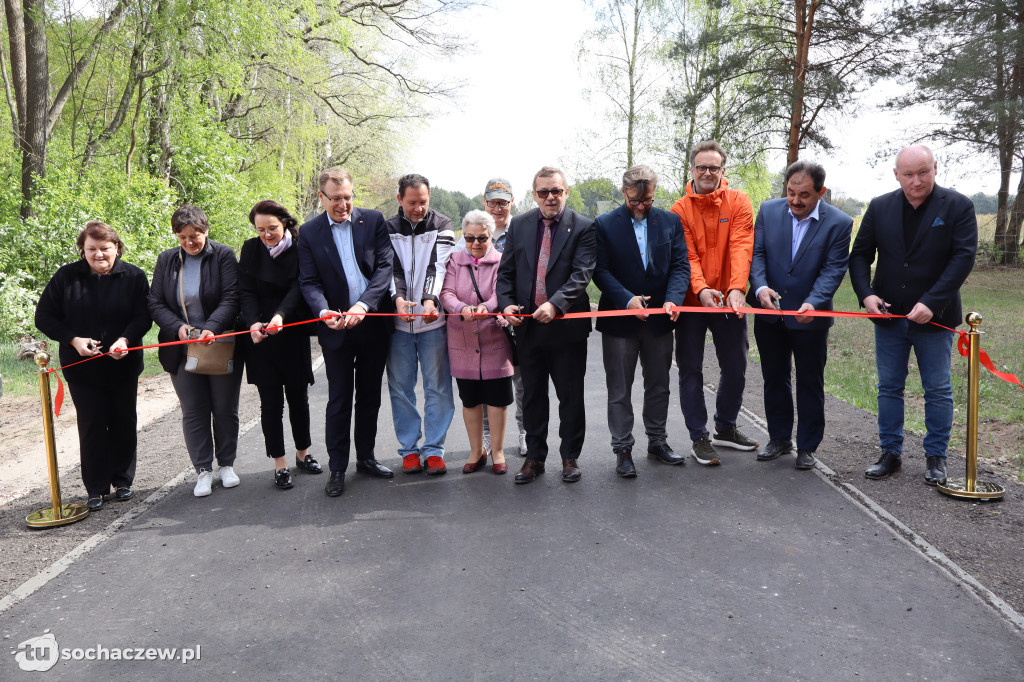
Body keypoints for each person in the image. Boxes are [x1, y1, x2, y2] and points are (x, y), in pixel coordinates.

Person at [849, 145, 978, 485]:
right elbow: (860, 255)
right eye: (908, 174)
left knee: (937, 388)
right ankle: (890, 453)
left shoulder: (959, 206)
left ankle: (936, 457)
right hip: (889, 316)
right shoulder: (879, 207)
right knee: (889, 386)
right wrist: (866, 294)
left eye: (923, 172)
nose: (916, 181)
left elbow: (963, 258)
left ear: (935, 168)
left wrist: (932, 301)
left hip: (935, 317)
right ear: (897, 174)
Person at [35, 222, 151, 511]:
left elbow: (143, 316)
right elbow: (44, 317)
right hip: (81, 368)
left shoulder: (134, 276)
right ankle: (96, 487)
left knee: (124, 420)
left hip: (123, 364)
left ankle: (123, 481)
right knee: (92, 424)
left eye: (104, 248)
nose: (99, 254)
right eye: (91, 249)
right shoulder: (66, 277)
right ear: (82, 250)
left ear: (117, 248)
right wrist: (73, 340)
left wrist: (125, 339)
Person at [298, 168, 395, 497]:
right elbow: (309, 281)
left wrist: (364, 305)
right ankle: (337, 467)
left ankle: (366, 458)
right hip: (335, 327)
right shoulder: (309, 232)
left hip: (372, 323)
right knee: (339, 399)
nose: (343, 205)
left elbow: (384, 268)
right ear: (321, 197)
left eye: (348, 197)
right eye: (336, 198)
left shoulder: (374, 220)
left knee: (369, 396)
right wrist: (323, 311)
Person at [749, 160, 853, 470]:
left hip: (811, 317)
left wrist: (814, 302)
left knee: (810, 381)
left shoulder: (839, 223)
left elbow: (833, 270)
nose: (795, 200)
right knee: (774, 378)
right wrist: (760, 287)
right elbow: (757, 254)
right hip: (769, 314)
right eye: (791, 192)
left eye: (804, 194)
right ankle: (779, 438)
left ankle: (807, 446)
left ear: (821, 192)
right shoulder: (768, 211)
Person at [497, 166, 596, 484]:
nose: (550, 197)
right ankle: (534, 458)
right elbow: (506, 273)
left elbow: (581, 274)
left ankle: (570, 457)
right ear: (535, 194)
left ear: (566, 192)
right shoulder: (520, 225)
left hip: (566, 328)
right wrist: (506, 304)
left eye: (556, 191)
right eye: (543, 192)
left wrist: (555, 304)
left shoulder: (584, 227)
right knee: (533, 396)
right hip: (528, 328)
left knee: (570, 396)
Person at [593, 165, 690, 478]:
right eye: (634, 201)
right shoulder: (604, 224)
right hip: (620, 321)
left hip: (660, 319)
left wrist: (673, 298)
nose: (640, 207)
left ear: (654, 194)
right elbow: (600, 270)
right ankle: (622, 448)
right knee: (620, 388)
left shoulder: (670, 221)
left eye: (646, 201)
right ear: (624, 193)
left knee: (659, 385)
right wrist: (626, 299)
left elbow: (680, 266)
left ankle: (657, 442)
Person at [671, 140, 758, 466]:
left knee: (736, 365)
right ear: (692, 169)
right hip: (693, 302)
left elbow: (741, 246)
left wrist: (736, 288)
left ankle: (726, 427)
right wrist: (701, 289)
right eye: (701, 167)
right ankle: (699, 436)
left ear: (723, 170)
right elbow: (687, 255)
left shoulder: (739, 201)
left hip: (729, 301)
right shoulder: (679, 210)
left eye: (713, 167)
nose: (707, 172)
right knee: (690, 369)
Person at [149, 205, 242, 498]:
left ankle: (226, 465)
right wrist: (177, 326)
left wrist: (211, 327)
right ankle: (203, 470)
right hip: (181, 348)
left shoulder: (223, 255)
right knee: (193, 410)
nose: (190, 242)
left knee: (224, 408)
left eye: (195, 235)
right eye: (183, 237)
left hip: (220, 344)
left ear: (206, 231)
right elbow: (155, 302)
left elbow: (232, 297)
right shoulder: (166, 259)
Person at [238, 200, 319, 490]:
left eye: (272, 228)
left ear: (284, 223)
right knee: (270, 404)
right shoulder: (250, 249)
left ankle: (303, 453)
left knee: (299, 399)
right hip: (261, 337)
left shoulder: (300, 247)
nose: (266, 235)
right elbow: (245, 290)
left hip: (292, 331)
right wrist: (252, 323)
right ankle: (279, 463)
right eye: (260, 230)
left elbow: (300, 286)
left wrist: (281, 316)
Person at [386, 174, 456, 476]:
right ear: (400, 199)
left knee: (437, 387)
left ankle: (434, 449)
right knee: (401, 389)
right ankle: (409, 449)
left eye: (423, 202)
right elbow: (391, 269)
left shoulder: (442, 224)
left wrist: (430, 300)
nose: (418, 208)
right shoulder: (387, 228)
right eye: (412, 202)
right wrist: (399, 300)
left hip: (433, 322)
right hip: (399, 324)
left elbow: (437, 266)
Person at [440, 210, 515, 475]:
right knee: (470, 400)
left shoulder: (501, 261)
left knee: (497, 399)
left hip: (494, 339)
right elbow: (446, 292)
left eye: (482, 238)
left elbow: (500, 292)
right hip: (461, 341)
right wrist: (461, 308)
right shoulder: (454, 261)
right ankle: (476, 451)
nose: (475, 243)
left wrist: (487, 307)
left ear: (491, 236)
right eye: (470, 237)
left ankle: (498, 451)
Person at [480, 178, 527, 456]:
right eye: (493, 202)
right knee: (488, 382)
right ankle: (487, 436)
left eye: (503, 202)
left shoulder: (522, 230)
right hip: (486, 320)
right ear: (484, 202)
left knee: (522, 381)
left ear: (512, 202)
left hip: (515, 315)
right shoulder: (474, 232)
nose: (498, 208)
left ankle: (524, 431)